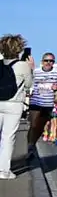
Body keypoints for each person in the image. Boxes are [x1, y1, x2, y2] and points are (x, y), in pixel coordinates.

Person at [0, 34, 33, 180]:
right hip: (14, 104)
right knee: (7, 137)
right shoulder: (22, 65)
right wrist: (30, 68)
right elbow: (29, 85)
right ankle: (4, 170)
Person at [28, 51, 57, 153]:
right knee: (33, 125)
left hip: (48, 104)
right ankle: (30, 146)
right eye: (46, 60)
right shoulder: (36, 71)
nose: (48, 63)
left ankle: (32, 144)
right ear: (42, 61)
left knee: (40, 127)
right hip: (35, 102)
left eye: (51, 61)